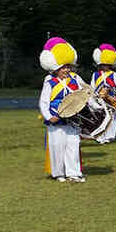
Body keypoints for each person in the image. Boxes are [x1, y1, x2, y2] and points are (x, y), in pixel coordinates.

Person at [38, 37, 85, 183]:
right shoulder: (49, 81)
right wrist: (48, 116)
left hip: (73, 118)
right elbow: (44, 101)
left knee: (73, 144)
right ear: (55, 67)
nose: (66, 70)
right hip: (56, 119)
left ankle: (74, 173)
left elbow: (84, 93)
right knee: (57, 146)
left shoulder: (75, 79)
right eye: (63, 67)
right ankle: (58, 173)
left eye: (68, 67)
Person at [90, 43, 116, 144]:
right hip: (99, 100)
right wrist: (93, 98)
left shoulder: (114, 75)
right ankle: (100, 136)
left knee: (111, 118)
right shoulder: (95, 75)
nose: (105, 67)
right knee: (100, 118)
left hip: (111, 100)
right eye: (103, 64)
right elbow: (92, 87)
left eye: (107, 65)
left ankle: (110, 136)